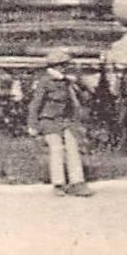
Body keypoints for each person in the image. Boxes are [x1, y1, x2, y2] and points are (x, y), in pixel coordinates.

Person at [27, 48, 92, 197]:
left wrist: (77, 82)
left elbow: (84, 97)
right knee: (56, 149)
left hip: (67, 121)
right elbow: (35, 104)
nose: (65, 67)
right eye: (62, 65)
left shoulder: (68, 81)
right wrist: (33, 125)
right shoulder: (45, 82)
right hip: (49, 120)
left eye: (66, 65)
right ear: (54, 66)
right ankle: (58, 184)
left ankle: (77, 183)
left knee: (73, 147)